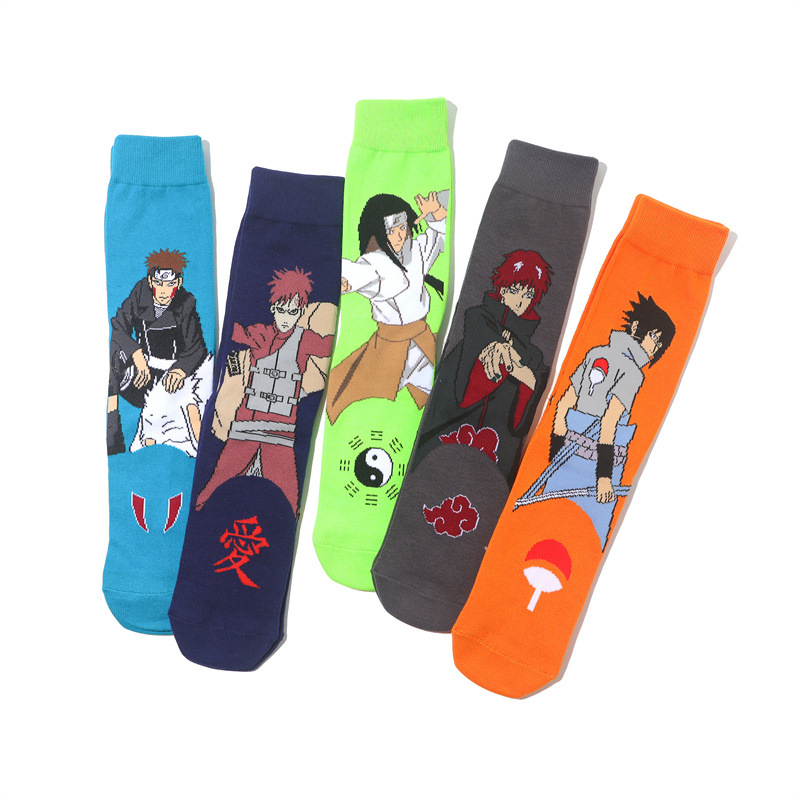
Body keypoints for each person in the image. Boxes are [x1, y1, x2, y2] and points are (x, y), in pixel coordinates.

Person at [515, 293, 676, 549]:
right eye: (654, 337)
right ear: (636, 327)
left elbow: (563, 405)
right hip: (600, 464)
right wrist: (603, 478)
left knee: (541, 528)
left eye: (660, 344)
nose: (654, 347)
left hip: (565, 454)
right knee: (584, 540)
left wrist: (554, 458)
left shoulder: (595, 353)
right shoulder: (632, 372)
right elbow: (609, 422)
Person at [195, 267, 333, 514]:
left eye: (293, 312)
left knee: (289, 499)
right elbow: (234, 331)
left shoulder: (305, 339)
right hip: (245, 427)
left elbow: (326, 345)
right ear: (273, 309)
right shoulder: (261, 333)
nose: (286, 318)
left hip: (281, 433)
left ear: (301, 312)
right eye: (281, 310)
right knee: (214, 486)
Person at [413, 250, 552, 479]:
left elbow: (520, 423)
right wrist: (503, 357)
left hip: (496, 454)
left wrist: (524, 375)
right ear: (502, 289)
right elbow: (463, 392)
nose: (520, 301)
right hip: (446, 434)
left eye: (528, 295)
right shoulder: (477, 318)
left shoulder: (534, 355)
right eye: (514, 290)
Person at [326, 190, 447, 423]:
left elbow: (437, 237)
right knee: (366, 406)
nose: (399, 236)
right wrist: (343, 280)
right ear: (378, 232)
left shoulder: (415, 250)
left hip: (422, 342)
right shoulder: (376, 262)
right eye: (391, 231)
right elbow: (357, 272)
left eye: (402, 227)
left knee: (438, 402)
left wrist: (437, 213)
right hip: (390, 349)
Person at [107, 248, 212, 457]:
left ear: (178, 283)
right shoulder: (140, 292)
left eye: (170, 284)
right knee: (115, 354)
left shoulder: (186, 303)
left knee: (177, 410)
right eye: (159, 283)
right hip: (143, 368)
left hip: (174, 370)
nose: (163, 291)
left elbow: (196, 347)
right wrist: (137, 356)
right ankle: (113, 426)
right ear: (150, 281)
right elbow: (118, 326)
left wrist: (179, 371)